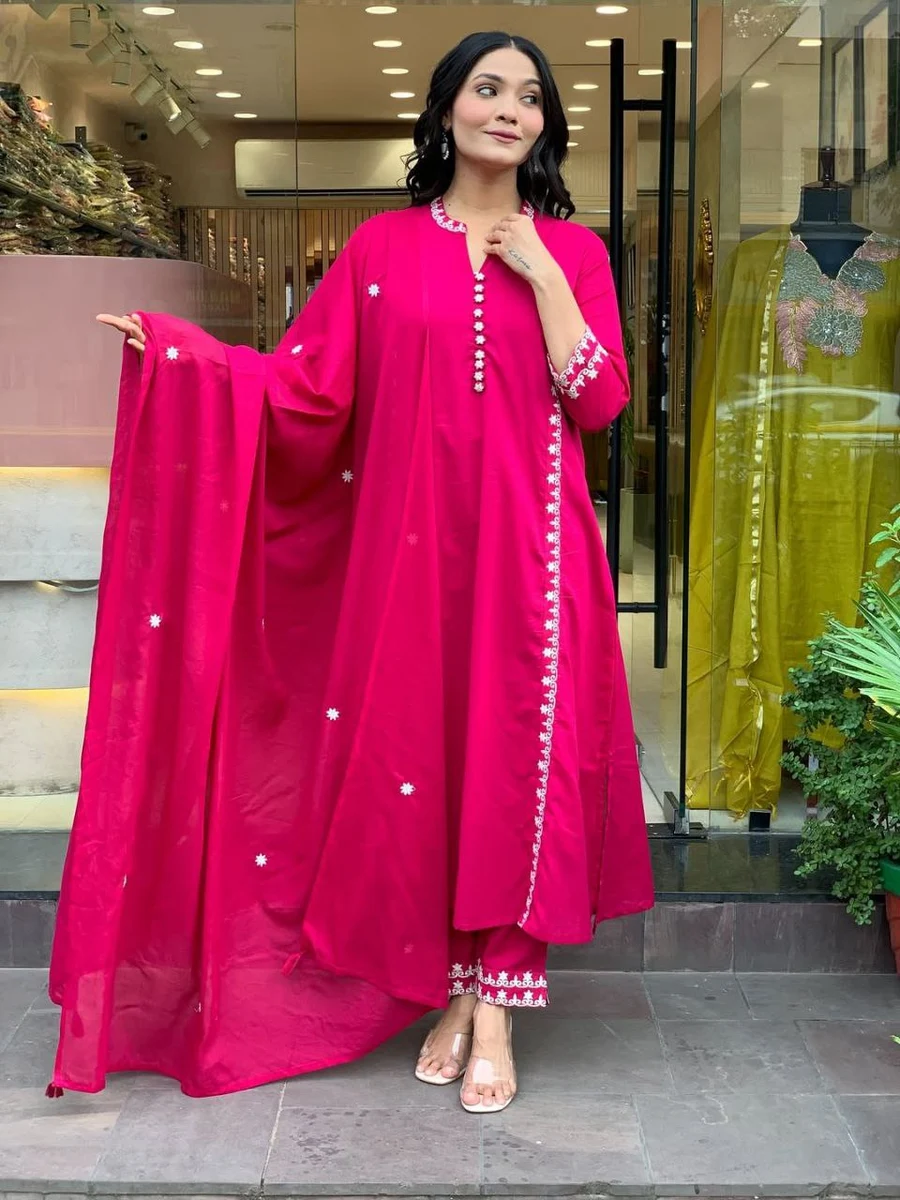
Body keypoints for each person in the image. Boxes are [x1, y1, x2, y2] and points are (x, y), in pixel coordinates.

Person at [48, 31, 653, 1115]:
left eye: (528, 97)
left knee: (518, 766)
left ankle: (497, 1006)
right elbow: (304, 389)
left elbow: (601, 402)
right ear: (449, 108)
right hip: (413, 565)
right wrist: (187, 359)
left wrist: (540, 271)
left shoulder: (576, 251)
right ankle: (453, 990)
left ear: (544, 126)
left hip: (536, 559)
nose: (508, 110)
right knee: (431, 769)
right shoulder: (381, 251)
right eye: (488, 89)